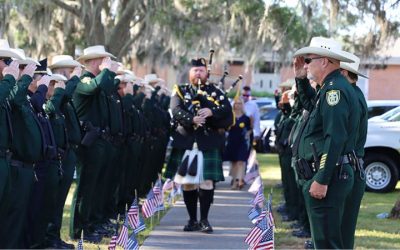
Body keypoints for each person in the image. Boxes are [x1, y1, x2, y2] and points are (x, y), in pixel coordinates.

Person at [292, 36, 359, 249]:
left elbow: (335, 137)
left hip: (331, 176)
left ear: (324, 61)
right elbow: (309, 106)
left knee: (327, 244)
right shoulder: (327, 88)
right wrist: (301, 78)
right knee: (327, 241)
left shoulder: (334, 91)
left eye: (309, 60)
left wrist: (322, 178)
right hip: (331, 174)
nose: (306, 64)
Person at [164, 58, 233, 233]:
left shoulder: (215, 92)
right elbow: (175, 110)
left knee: (207, 182)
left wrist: (211, 112)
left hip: (207, 143)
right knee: (188, 183)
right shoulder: (180, 90)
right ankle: (192, 220)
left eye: (201, 70)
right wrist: (191, 119)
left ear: (207, 73)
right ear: (190, 73)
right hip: (186, 142)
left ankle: (204, 220)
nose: (198, 73)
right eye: (195, 70)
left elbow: (227, 113)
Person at [70, 45, 118, 243]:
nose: (106, 64)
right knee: (85, 188)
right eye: (103, 60)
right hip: (88, 143)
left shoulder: (100, 82)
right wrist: (106, 71)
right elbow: (94, 87)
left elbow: (107, 88)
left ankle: (90, 224)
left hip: (100, 141)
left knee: (96, 187)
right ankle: (78, 229)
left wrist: (108, 73)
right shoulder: (84, 81)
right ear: (94, 61)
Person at [45, 55, 83, 249]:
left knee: (60, 200)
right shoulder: (55, 98)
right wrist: (72, 80)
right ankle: (50, 237)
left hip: (67, 154)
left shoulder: (63, 97)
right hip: (56, 157)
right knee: (54, 199)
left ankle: (55, 236)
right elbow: (56, 103)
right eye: (69, 71)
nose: (72, 76)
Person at [339, 51, 368, 249]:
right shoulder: (355, 94)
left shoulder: (352, 97)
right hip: (353, 164)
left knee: (343, 231)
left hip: (350, 165)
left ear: (343, 72)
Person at [223, 97, 252, 190]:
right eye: (236, 103)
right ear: (233, 105)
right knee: (234, 163)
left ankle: (239, 181)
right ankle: (235, 180)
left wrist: (248, 133)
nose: (238, 105)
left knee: (241, 161)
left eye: (240, 103)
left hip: (242, 141)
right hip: (232, 141)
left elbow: (250, 129)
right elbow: (225, 128)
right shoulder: (230, 117)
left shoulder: (246, 118)